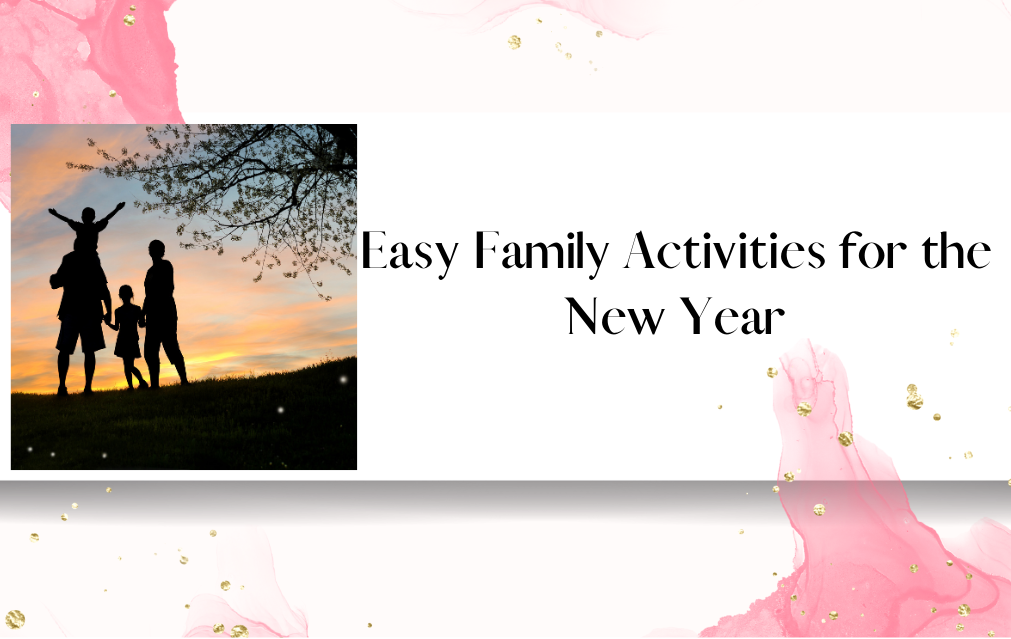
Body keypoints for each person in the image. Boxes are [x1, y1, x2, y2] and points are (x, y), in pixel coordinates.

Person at [50, 238, 113, 395]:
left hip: (79, 311)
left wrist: (109, 311)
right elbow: (104, 290)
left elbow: (55, 282)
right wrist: (109, 311)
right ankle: (82, 387)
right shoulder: (85, 260)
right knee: (83, 350)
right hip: (81, 311)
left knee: (70, 349)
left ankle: (68, 387)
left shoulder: (78, 259)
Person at [142, 239, 189, 388]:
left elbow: (167, 288)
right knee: (150, 350)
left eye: (155, 248)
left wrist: (153, 305)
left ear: (162, 251)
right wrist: (143, 313)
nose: (152, 251)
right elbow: (147, 295)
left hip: (165, 311)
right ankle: (154, 385)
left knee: (171, 346)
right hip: (152, 313)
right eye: (150, 248)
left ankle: (184, 380)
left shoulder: (166, 265)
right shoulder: (149, 272)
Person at [106, 284, 149, 390]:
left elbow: (141, 324)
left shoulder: (135, 309)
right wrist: (108, 323)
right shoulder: (119, 311)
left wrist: (150, 320)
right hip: (123, 339)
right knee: (127, 365)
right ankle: (133, 386)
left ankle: (141, 383)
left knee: (128, 365)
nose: (124, 296)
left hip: (131, 339)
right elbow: (117, 327)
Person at [48, 202, 126, 253]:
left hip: (90, 255)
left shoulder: (91, 227)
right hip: (79, 255)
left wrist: (117, 209)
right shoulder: (89, 227)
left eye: (88, 216)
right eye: (85, 216)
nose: (86, 217)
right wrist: (117, 209)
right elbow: (67, 220)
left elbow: (67, 220)